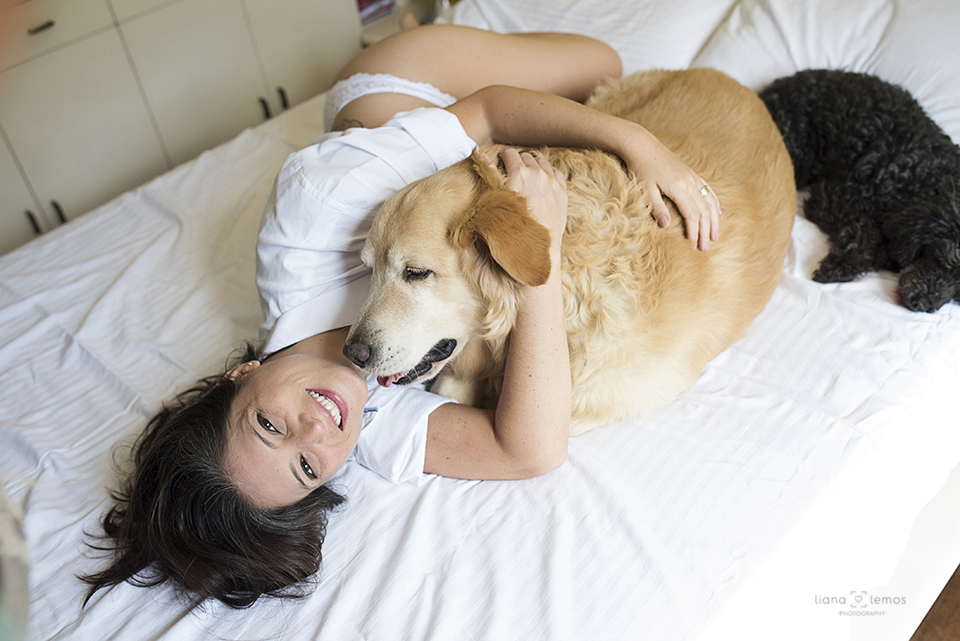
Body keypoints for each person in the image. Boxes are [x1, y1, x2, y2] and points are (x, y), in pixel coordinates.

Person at [82, 23, 722, 608]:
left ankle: (423, 30)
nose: (316, 429)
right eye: (306, 468)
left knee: (603, 64)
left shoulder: (312, 205)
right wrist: (542, 247)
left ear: (240, 374)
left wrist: (641, 145)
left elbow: (490, 110)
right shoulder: (363, 433)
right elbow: (530, 450)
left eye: (268, 425)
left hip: (399, 93)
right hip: (446, 175)